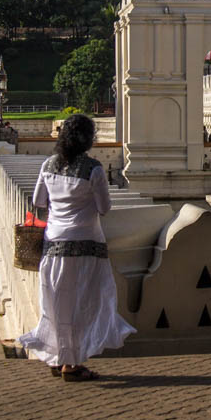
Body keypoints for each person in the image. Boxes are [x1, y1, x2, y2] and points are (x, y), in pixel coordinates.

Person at [19, 114, 135, 381]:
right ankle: (71, 365)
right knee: (84, 304)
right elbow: (105, 208)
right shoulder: (93, 169)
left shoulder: (48, 165)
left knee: (56, 305)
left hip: (54, 245)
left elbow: (39, 200)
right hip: (86, 245)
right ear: (88, 139)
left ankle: (60, 357)